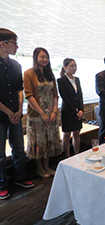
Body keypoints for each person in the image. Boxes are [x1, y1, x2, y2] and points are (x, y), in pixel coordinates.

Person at [0, 28, 34, 200]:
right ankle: (2, 184)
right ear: (3, 44)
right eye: (14, 43)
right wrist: (8, 112)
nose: (17, 46)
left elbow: (19, 90)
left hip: (16, 114)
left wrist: (20, 110)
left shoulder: (16, 65)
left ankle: (20, 177)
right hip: (1, 116)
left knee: (18, 148)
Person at [24, 47, 62, 179]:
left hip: (51, 114)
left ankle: (47, 166)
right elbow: (28, 96)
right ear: (36, 58)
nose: (45, 59)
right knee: (39, 143)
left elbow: (55, 95)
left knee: (50, 141)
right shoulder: (28, 73)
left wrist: (54, 111)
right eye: (42, 57)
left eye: (46, 57)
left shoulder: (50, 74)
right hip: (37, 115)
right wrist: (42, 114)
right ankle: (39, 168)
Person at [57, 58, 84, 157]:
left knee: (77, 133)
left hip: (77, 111)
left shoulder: (76, 79)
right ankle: (67, 157)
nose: (74, 68)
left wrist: (81, 109)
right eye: (72, 66)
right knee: (67, 135)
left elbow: (80, 95)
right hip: (67, 111)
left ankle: (77, 154)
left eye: (75, 66)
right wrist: (75, 111)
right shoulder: (61, 80)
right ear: (65, 67)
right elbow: (65, 97)